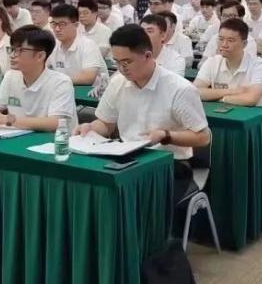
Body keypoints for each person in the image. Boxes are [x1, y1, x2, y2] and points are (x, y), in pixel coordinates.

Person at [76, 25, 210, 206]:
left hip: (169, 164)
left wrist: (166, 136)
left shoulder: (180, 88)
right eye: (117, 62)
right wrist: (90, 128)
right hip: (126, 159)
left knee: (136, 200)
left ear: (148, 56)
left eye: (127, 62)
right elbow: (106, 124)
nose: (121, 68)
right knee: (96, 192)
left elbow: (203, 137)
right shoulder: (118, 82)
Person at [0, 26, 76, 131]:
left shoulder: (61, 82)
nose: (12, 55)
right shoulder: (11, 76)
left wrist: (8, 119)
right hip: (18, 137)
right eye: (12, 49)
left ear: (40, 56)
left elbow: (55, 123)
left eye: (20, 50)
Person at [194, 18, 262, 106]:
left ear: (244, 44)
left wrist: (220, 98)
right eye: (221, 39)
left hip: (255, 113)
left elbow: (251, 99)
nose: (224, 44)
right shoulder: (212, 62)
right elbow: (195, 91)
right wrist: (233, 91)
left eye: (230, 40)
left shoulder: (259, 65)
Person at [47, 3, 107, 85]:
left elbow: (88, 77)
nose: (57, 29)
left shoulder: (88, 45)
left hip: (91, 92)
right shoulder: (53, 46)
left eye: (62, 24)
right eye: (54, 24)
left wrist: (56, 81)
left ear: (76, 25)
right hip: (63, 88)